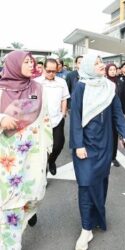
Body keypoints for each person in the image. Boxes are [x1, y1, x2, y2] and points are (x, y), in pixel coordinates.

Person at [69, 54, 125, 250]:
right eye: (96, 63)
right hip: (85, 145)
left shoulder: (109, 86)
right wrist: (78, 145)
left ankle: (96, 219)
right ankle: (86, 229)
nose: (101, 65)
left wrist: (123, 132)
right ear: (87, 67)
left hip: (105, 144)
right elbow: (75, 117)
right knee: (85, 185)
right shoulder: (81, 87)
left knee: (101, 182)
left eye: (101, 62)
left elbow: (117, 111)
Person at [0, 51, 53, 249]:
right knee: (9, 203)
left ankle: (13, 233)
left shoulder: (39, 88)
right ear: (13, 65)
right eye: (26, 61)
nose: (32, 64)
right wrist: (2, 119)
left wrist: (47, 148)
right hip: (6, 158)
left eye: (32, 61)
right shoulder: (0, 89)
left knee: (33, 196)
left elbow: (45, 118)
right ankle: (10, 244)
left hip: (33, 155)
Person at [34, 58, 70, 175]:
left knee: (58, 144)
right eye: (48, 71)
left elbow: (64, 98)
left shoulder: (62, 82)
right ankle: (43, 168)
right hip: (40, 120)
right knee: (42, 147)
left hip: (57, 118)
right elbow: (31, 99)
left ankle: (52, 161)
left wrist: (63, 112)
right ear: (44, 68)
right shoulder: (36, 82)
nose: (51, 73)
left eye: (54, 71)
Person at [105, 63, 121, 167]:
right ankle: (105, 156)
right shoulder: (104, 83)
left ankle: (113, 157)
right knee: (106, 135)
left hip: (116, 113)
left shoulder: (119, 82)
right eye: (110, 69)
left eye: (114, 69)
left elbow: (122, 98)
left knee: (115, 136)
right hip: (106, 113)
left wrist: (122, 113)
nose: (112, 71)